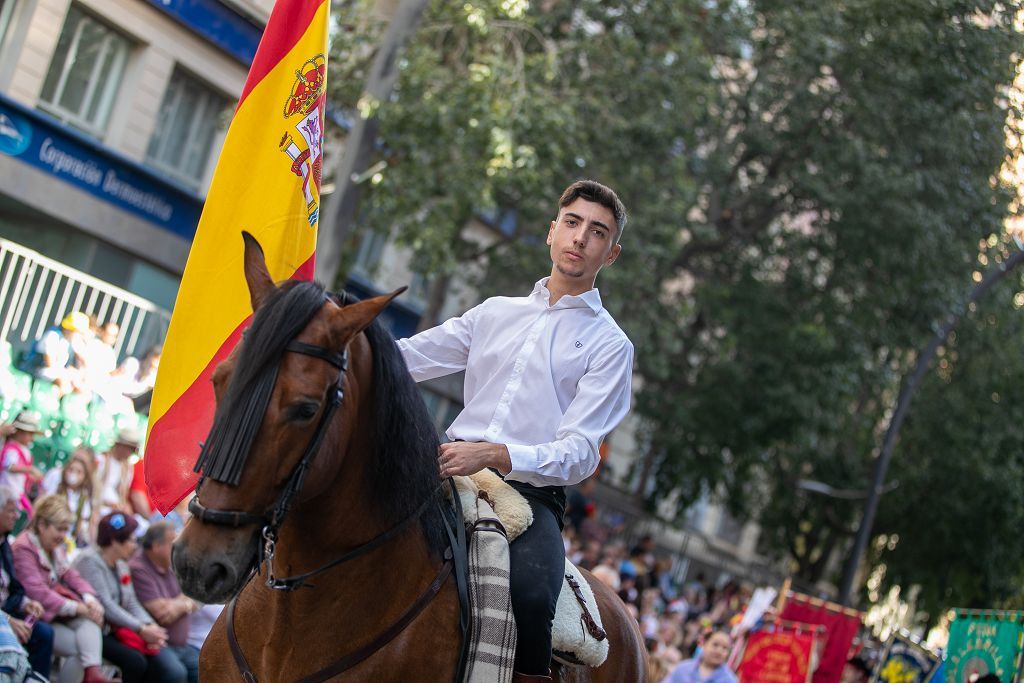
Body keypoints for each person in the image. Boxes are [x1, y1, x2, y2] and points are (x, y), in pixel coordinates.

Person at [398, 180, 634, 681]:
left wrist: (494, 454)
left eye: (596, 232)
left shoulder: (611, 345)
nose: (579, 238)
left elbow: (579, 454)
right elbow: (406, 358)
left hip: (531, 497)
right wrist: (326, 337)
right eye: (571, 223)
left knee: (530, 598)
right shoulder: (494, 312)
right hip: (446, 469)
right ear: (552, 232)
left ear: (610, 254)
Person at [73, 512, 185, 683]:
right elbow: (106, 605)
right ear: (114, 541)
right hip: (93, 629)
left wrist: (150, 625)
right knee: (135, 661)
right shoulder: (89, 561)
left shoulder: (121, 564)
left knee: (150, 661)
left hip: (115, 629)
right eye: (131, 540)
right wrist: (140, 628)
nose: (135, 546)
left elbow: (131, 601)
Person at [12, 495, 109, 683]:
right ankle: (92, 673)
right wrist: (78, 607)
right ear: (41, 525)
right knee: (81, 649)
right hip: (33, 614)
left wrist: (90, 599)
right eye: (59, 529)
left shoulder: (55, 547)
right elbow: (37, 592)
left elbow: (71, 574)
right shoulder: (24, 548)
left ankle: (93, 673)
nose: (63, 535)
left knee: (90, 625)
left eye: (66, 529)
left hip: (54, 613)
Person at [129, 522, 199, 683]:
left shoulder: (170, 564)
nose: (178, 547)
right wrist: (186, 602)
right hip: (157, 645)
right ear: (155, 546)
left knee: (204, 667)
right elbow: (162, 613)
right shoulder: (139, 568)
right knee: (176, 673)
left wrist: (183, 603)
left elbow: (195, 595)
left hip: (182, 646)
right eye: (172, 543)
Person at [0, 486, 53, 679]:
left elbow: (11, 586)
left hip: (7, 610)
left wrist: (26, 603)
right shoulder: (22, 546)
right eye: (11, 510)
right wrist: (7, 621)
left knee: (43, 633)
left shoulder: (4, 543)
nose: (16, 516)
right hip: (3, 616)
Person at [20, 312, 89, 395]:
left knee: (81, 386)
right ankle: (49, 405)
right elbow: (50, 364)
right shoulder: (53, 335)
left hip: (53, 371)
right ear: (71, 329)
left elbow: (69, 365)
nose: (80, 336)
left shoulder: (68, 342)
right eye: (78, 332)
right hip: (35, 368)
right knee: (63, 383)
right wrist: (67, 374)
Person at [42, 448, 99, 548]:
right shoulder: (56, 483)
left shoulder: (83, 496)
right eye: (71, 470)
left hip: (67, 539)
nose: (73, 474)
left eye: (79, 472)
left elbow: (81, 521)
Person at [0, 411, 45, 513]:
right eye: (29, 434)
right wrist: (30, 470)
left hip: (18, 492)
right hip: (8, 490)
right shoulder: (11, 448)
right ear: (19, 432)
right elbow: (10, 466)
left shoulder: (25, 450)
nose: (31, 438)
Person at [664, 629, 738, 683]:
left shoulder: (729, 680)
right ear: (704, 644)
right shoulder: (683, 669)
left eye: (725, 648)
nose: (719, 651)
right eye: (715, 645)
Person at [98, 428, 141, 516]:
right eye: (129, 448)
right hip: (99, 507)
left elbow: (124, 495)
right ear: (119, 445)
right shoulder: (102, 459)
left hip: (116, 510)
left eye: (132, 450)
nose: (130, 453)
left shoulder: (128, 468)